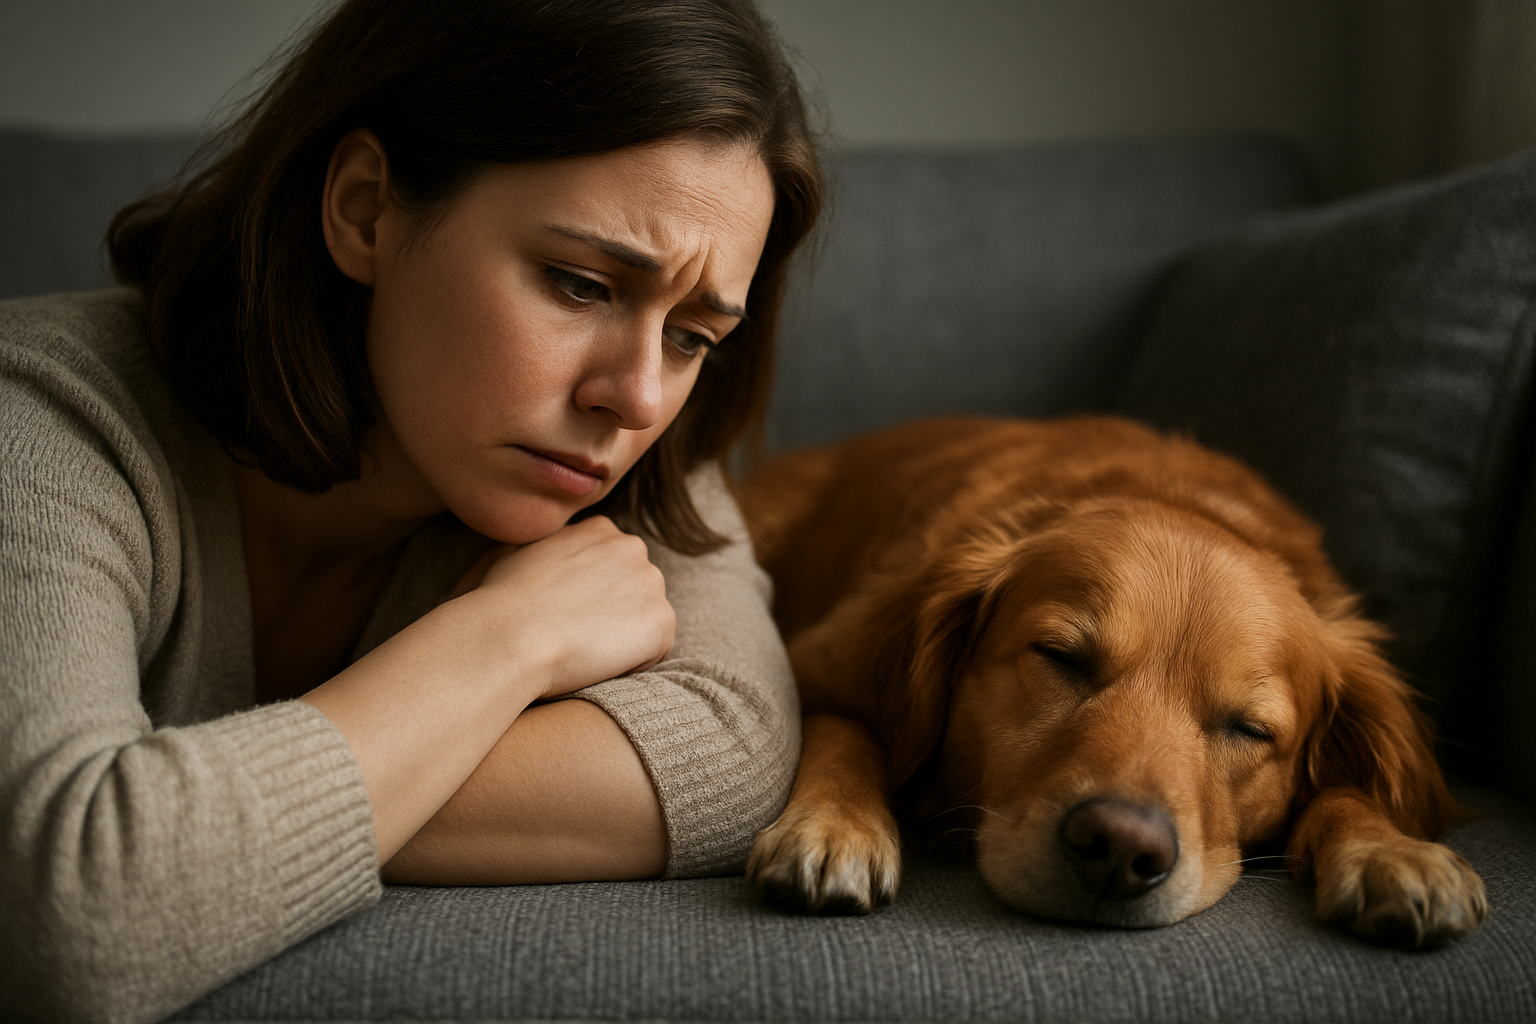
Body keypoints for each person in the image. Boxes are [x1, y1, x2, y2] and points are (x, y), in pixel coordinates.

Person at [0, 1, 823, 1020]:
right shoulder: (41, 420)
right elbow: (75, 918)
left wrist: (191, 813)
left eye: (695, 335)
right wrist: (505, 638)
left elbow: (731, 753)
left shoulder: (639, 462)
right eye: (579, 283)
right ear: (363, 210)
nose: (640, 397)